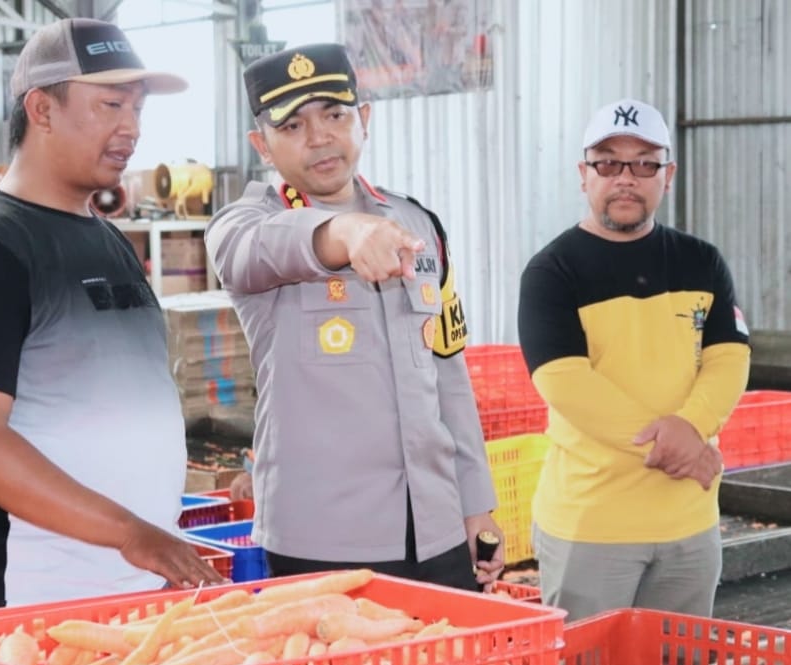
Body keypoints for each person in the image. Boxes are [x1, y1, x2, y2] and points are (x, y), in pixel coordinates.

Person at [0, 17, 224, 610]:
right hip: (36, 595)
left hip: (131, 586)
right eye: (111, 105)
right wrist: (130, 533)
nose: (131, 128)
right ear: (42, 109)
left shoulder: (106, 239)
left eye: (137, 108)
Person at [206, 43, 505, 592]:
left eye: (335, 115)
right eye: (292, 125)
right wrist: (342, 232)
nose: (319, 137)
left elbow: (447, 372)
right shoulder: (243, 226)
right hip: (322, 540)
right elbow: (256, 250)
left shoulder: (418, 224)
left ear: (363, 119)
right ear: (262, 145)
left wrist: (476, 504)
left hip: (436, 526)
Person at [517, 98, 750, 621]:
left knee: (680, 658)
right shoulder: (552, 271)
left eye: (645, 164)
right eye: (608, 162)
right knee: (590, 660)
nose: (626, 177)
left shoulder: (701, 260)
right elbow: (565, 382)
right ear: (583, 174)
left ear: (668, 175)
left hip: (690, 522)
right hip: (591, 526)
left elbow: (729, 357)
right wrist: (678, 447)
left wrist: (691, 429)